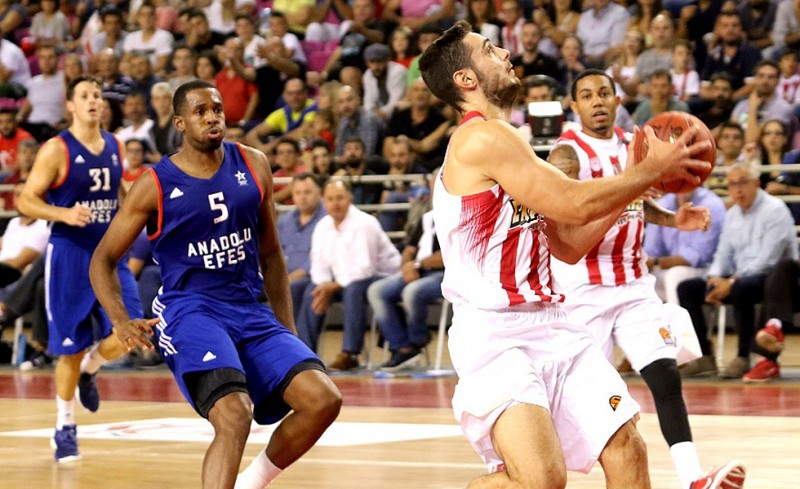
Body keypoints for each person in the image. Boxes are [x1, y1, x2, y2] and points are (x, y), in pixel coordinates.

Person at [418, 21, 721, 488]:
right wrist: (647, 170)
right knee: (541, 480)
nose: (504, 52)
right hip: (494, 332)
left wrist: (635, 183)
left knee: (628, 448)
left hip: (552, 322)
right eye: (489, 50)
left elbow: (567, 244)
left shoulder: (513, 141)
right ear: (466, 79)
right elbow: (573, 202)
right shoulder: (480, 139)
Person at [89, 80, 342, 488]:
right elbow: (102, 260)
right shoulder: (155, 184)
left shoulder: (254, 163)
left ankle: (249, 483)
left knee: (323, 400)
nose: (212, 117)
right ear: (180, 123)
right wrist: (120, 319)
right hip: (190, 311)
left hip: (248, 308)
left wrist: (287, 331)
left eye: (217, 109)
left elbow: (272, 256)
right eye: (200, 111)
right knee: (234, 414)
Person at [549, 68, 744, 489]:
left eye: (604, 93)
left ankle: (694, 478)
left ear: (618, 100)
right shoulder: (567, 155)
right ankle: (530, 470)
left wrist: (674, 219)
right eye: (587, 95)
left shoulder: (636, 145)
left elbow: (637, 202)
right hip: (583, 291)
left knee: (665, 375)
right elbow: (561, 218)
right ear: (574, 105)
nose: (597, 101)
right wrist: (624, 196)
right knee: (585, 402)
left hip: (634, 283)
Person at [17, 75, 144, 462]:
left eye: (97, 95)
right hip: (70, 256)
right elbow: (25, 200)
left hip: (108, 254)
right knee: (68, 350)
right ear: (70, 105)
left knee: (134, 330)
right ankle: (65, 426)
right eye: (85, 95)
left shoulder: (115, 144)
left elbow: (119, 192)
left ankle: (92, 367)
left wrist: (136, 212)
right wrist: (63, 213)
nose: (93, 101)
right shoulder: (56, 149)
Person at [677, 163, 798, 380]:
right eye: (732, 184)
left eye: (743, 183)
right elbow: (723, 252)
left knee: (742, 287)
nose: (738, 190)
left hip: (774, 280)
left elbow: (768, 260)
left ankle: (743, 356)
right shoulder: (732, 214)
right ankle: (704, 357)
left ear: (757, 184)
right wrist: (714, 278)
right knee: (687, 288)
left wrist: (730, 283)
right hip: (740, 276)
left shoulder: (775, 209)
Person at [295, 180, 401, 370]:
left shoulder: (364, 223)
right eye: (330, 199)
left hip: (382, 276)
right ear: (323, 202)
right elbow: (318, 263)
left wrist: (332, 287)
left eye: (340, 198)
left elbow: (365, 268)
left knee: (353, 290)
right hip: (343, 280)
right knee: (313, 290)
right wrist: (324, 286)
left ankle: (350, 354)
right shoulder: (322, 226)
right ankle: (306, 354)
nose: (335, 203)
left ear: (350, 199)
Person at [276, 173, 326, 323]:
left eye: (307, 192)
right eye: (298, 193)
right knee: (247, 287)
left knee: (293, 287)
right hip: (282, 276)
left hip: (310, 277)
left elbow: (323, 257)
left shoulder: (328, 220)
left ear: (319, 192)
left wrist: (290, 277)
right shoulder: (285, 220)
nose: (302, 197)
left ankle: (291, 335)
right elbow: (274, 252)